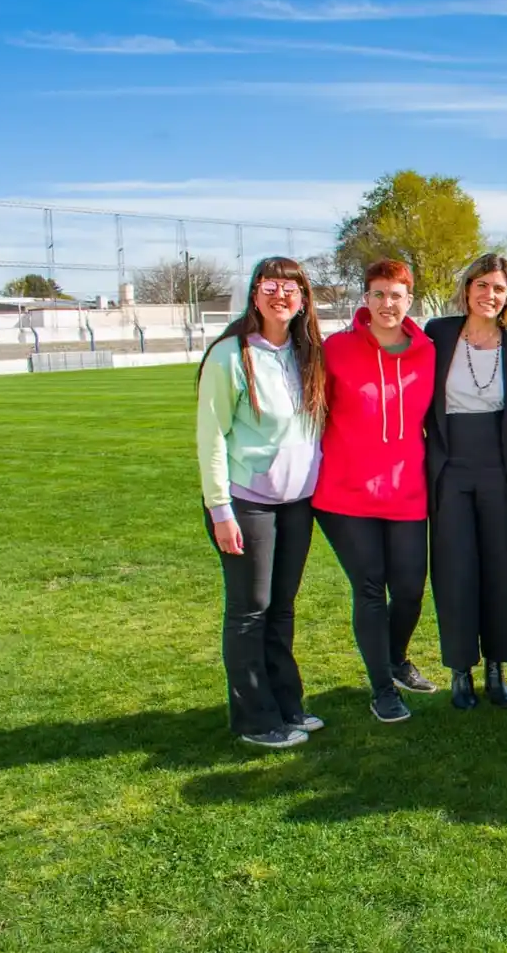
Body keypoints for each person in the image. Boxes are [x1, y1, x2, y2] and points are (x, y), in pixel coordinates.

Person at [195, 256, 327, 748]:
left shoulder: (305, 352)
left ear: (303, 299)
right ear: (254, 295)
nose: (281, 295)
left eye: (291, 287)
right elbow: (211, 438)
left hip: (297, 503)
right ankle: (255, 718)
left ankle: (287, 704)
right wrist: (220, 509)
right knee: (250, 610)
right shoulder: (231, 356)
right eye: (270, 286)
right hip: (246, 502)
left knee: (282, 608)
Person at [312, 259, 437, 724]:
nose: (388, 303)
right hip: (344, 493)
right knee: (369, 587)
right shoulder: (336, 349)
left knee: (408, 588)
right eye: (379, 294)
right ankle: (382, 689)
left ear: (410, 301)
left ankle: (397, 658)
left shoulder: (426, 351)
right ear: (366, 299)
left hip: (406, 491)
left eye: (397, 295)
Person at [424, 253, 507, 710]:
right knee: (454, 570)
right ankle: (460, 669)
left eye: (500, 288)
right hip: (450, 468)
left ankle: (496, 666)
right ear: (467, 288)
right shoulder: (438, 333)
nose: (490, 295)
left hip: (498, 469)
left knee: (499, 569)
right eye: (482, 285)